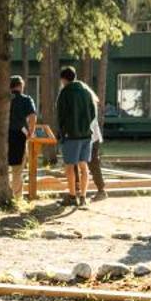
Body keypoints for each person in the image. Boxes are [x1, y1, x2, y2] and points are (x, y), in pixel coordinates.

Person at [54, 65, 98, 207]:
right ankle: (84, 197)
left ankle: (72, 196)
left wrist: (62, 132)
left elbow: (61, 115)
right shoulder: (86, 91)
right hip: (86, 135)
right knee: (83, 166)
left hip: (71, 135)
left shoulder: (65, 92)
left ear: (63, 79)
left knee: (69, 167)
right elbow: (93, 113)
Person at [6, 75, 38, 200]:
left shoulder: (4, 99)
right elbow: (33, 116)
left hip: (4, 136)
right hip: (19, 135)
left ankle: (5, 193)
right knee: (17, 168)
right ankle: (17, 197)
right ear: (21, 86)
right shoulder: (26, 99)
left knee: (5, 167)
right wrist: (31, 132)